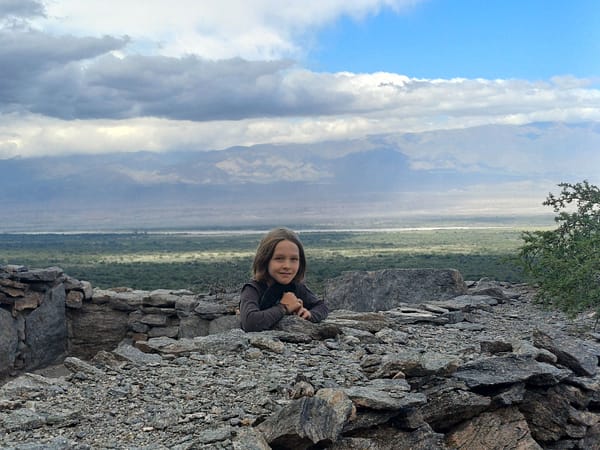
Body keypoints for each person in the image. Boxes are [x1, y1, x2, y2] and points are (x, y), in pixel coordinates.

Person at [239, 227, 328, 332]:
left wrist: (308, 314)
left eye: (294, 259)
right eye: (279, 259)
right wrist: (284, 307)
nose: (287, 266)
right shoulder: (253, 289)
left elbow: (321, 306)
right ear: (265, 260)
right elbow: (250, 323)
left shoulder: (295, 287)